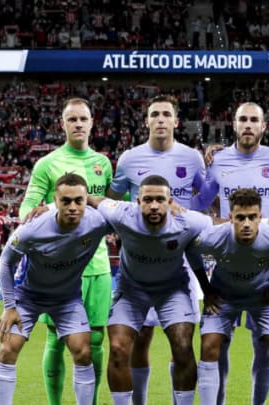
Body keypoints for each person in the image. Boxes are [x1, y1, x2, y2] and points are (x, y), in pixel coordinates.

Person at [106, 94, 206, 405]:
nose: (160, 119)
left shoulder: (192, 158)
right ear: (146, 120)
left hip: (179, 262)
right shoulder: (129, 159)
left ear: (176, 121)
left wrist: (184, 218)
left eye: (166, 114)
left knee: (182, 342)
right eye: (155, 114)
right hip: (136, 263)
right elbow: (113, 197)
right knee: (138, 341)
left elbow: (203, 199)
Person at [197, 101, 269, 405]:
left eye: (255, 120)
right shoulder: (218, 160)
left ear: (264, 126)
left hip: (265, 265)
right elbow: (202, 203)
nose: (248, 125)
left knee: (265, 345)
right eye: (243, 119)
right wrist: (219, 222)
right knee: (217, 345)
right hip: (228, 261)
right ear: (234, 124)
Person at [19, 97, 113, 405]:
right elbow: (26, 211)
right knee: (56, 341)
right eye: (72, 119)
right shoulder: (47, 164)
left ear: (91, 123)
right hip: (58, 268)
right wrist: (48, 208)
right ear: (63, 124)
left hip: (97, 264)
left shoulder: (103, 164)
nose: (78, 124)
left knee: (97, 339)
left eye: (83, 119)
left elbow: (114, 208)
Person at [89, 175, 212, 405]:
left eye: (159, 199)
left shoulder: (188, 221)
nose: (154, 205)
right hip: (132, 289)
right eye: (148, 199)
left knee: (183, 345)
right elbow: (91, 199)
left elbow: (217, 225)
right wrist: (48, 206)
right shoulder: (122, 214)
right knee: (117, 348)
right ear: (138, 201)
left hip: (173, 290)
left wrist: (267, 224)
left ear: (170, 201)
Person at [0, 173, 112, 405]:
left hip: (67, 299)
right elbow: (5, 261)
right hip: (28, 297)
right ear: (55, 202)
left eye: (79, 200)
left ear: (86, 200)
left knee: (83, 352)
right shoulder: (32, 228)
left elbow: (130, 212)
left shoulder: (98, 222)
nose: (72, 207)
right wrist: (9, 307)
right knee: (8, 349)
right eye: (65, 201)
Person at [187, 188, 269, 405]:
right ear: (230, 218)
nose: (247, 224)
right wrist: (206, 288)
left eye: (252, 217)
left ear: (261, 217)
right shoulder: (213, 237)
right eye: (240, 218)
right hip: (224, 295)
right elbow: (190, 249)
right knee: (209, 345)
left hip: (263, 296)